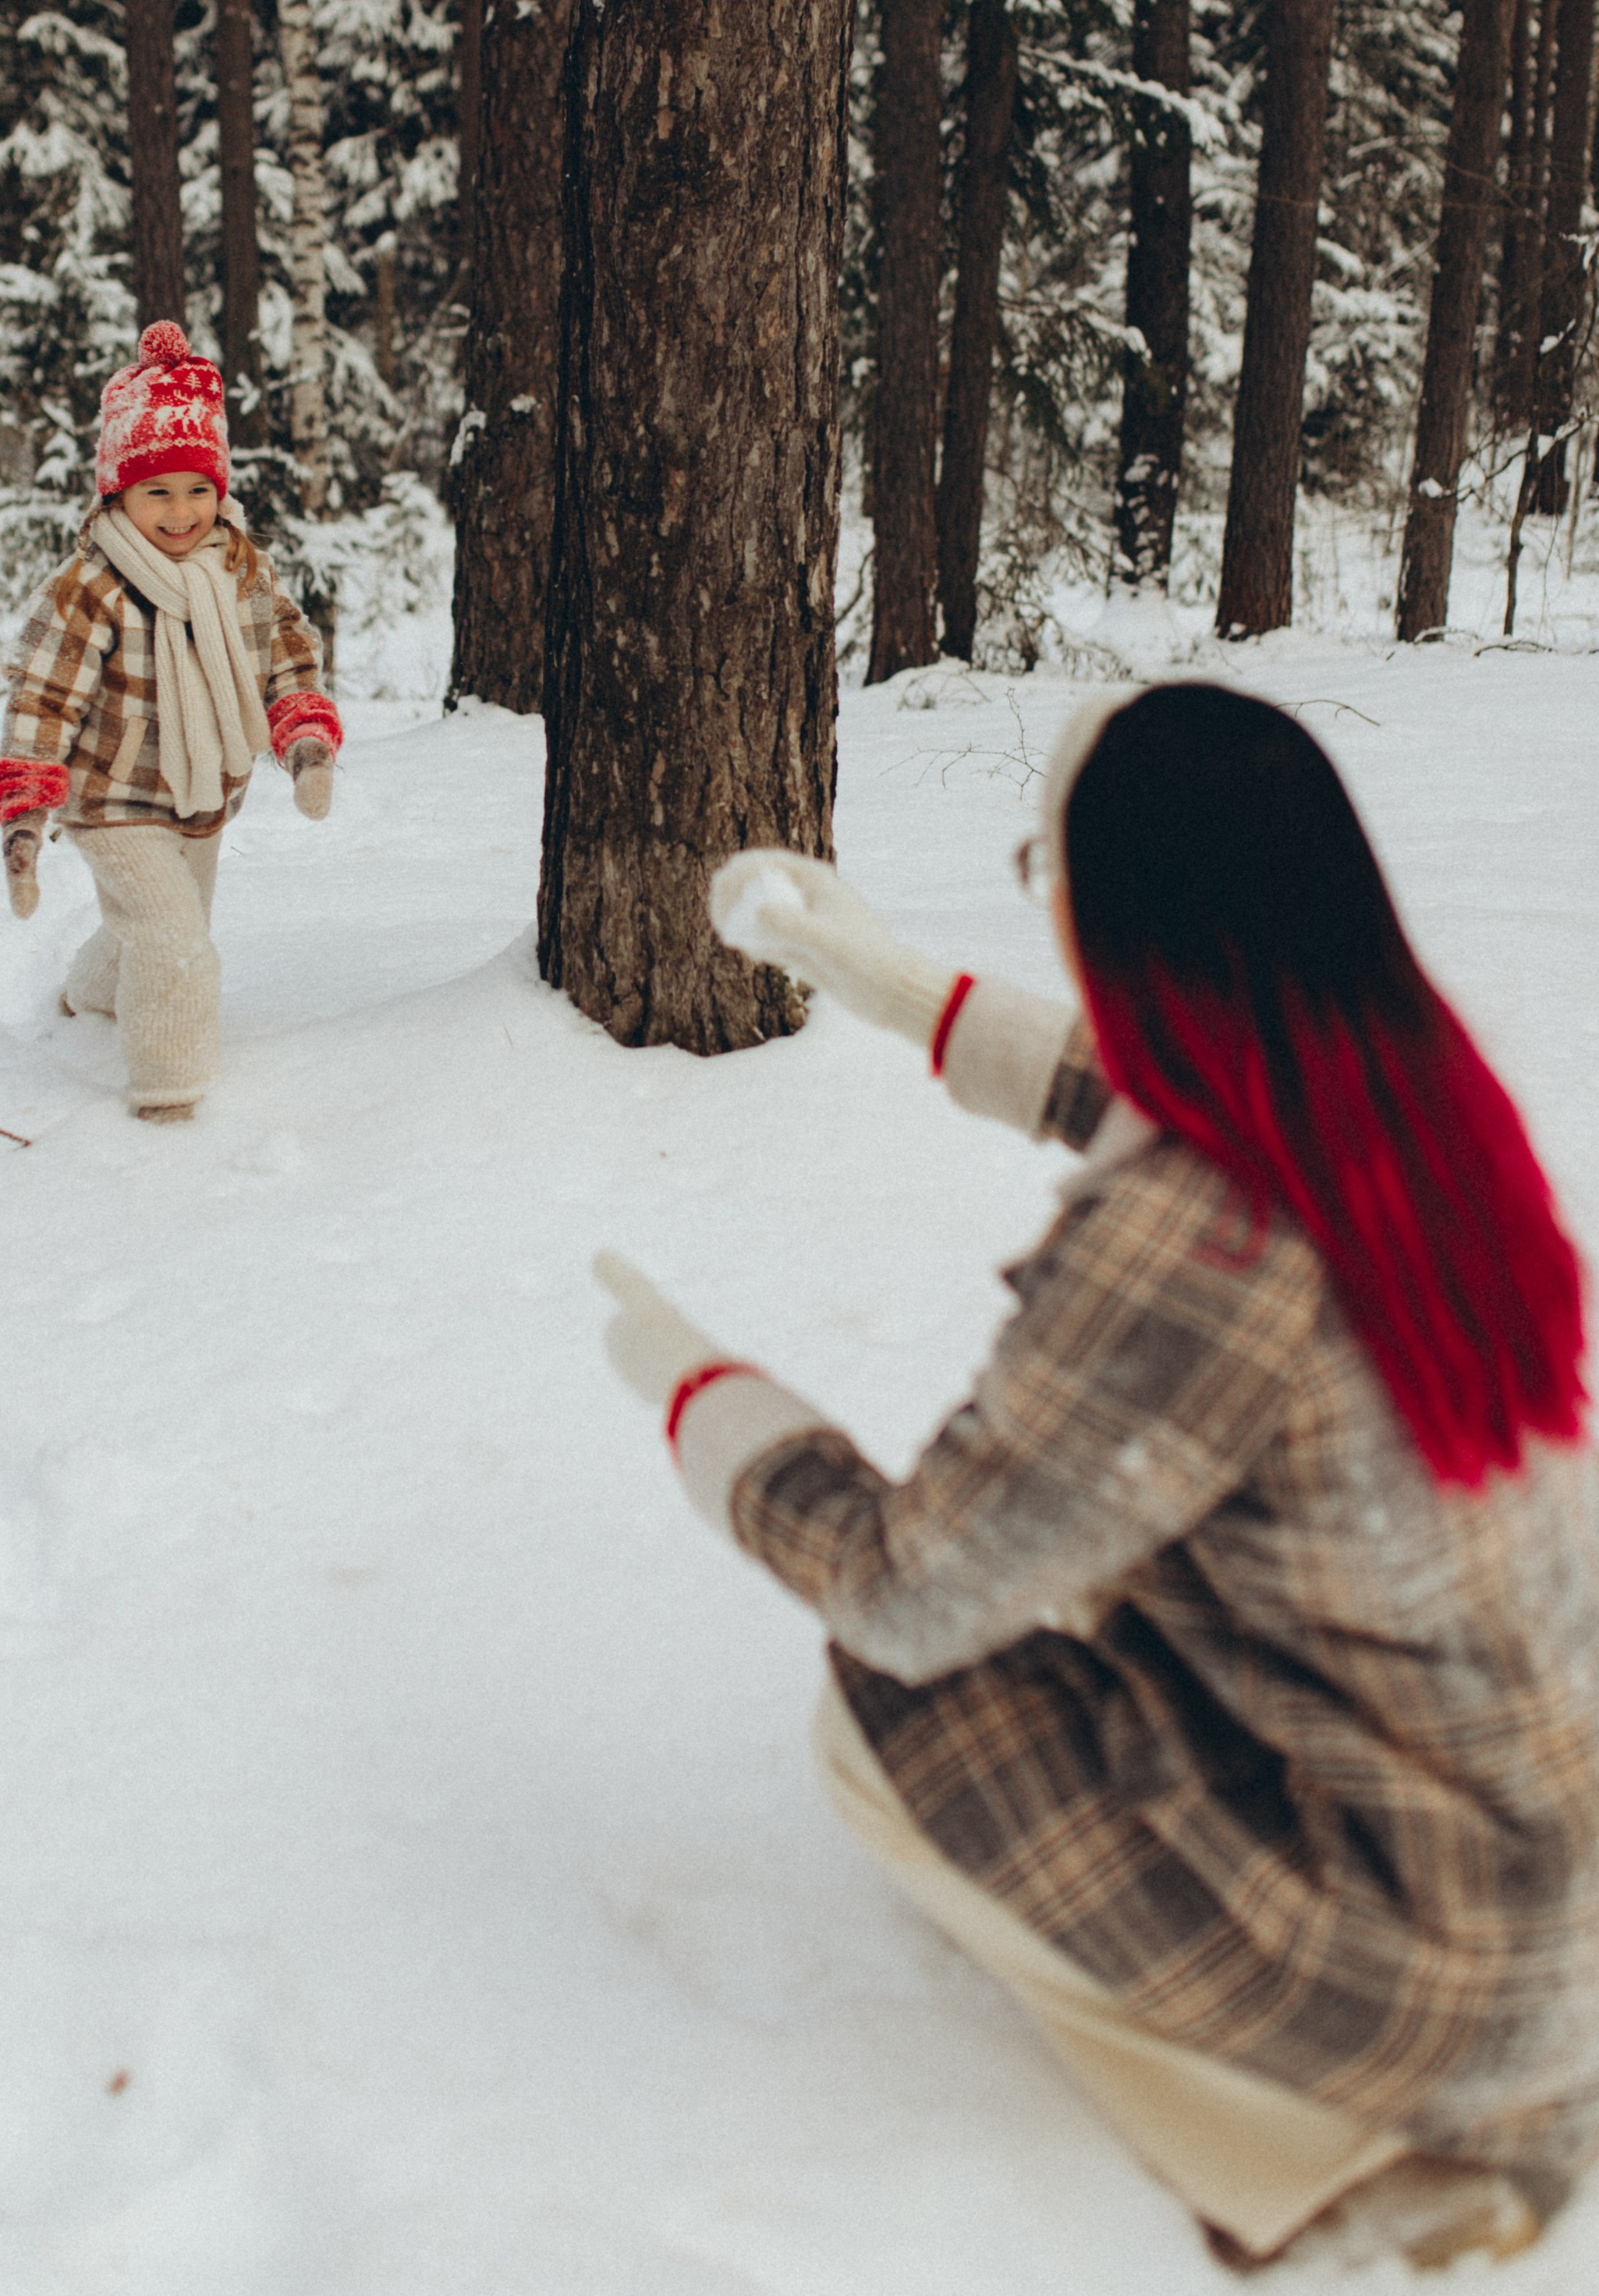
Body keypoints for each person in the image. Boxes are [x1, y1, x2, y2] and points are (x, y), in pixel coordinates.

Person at [599, 682, 1599, 2273]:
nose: (1040, 906)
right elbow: (1142, 1089)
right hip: (1546, 1885)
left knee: (886, 1708)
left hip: (1434, 1966)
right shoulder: (1401, 1095)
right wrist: (880, 977)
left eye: (1040, 870)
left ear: (1133, 923)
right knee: (1090, 1589)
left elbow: (905, 1590)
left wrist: (699, 1399)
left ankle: (1332, 2144)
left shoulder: (1196, 1247)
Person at [0, 321, 340, 1124]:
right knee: (177, 939)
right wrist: (27, 810)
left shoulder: (237, 568)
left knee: (155, 923)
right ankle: (167, 1099)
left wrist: (305, 742)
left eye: (197, 489)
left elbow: (284, 654)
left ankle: (91, 990)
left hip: (204, 787)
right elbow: (43, 698)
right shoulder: (90, 586)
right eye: (157, 492)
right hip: (109, 796)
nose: (181, 513)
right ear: (116, 491)